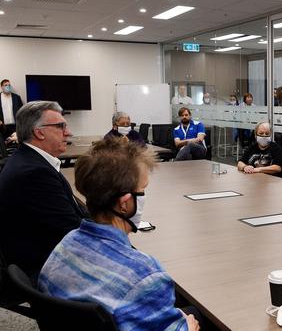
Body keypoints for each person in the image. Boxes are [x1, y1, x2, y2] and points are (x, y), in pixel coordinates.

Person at [38, 138, 200, 331]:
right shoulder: (146, 274)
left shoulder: (66, 244)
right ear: (125, 203)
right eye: (142, 190)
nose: (144, 197)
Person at [0, 101, 89, 279]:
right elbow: (72, 232)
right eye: (61, 126)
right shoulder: (34, 173)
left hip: (43, 252)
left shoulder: (28, 160)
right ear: (39, 132)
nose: (68, 133)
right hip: (49, 267)